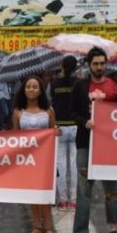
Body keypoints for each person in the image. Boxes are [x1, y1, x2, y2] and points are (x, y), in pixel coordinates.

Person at [71, 46, 117, 233]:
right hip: (85, 144)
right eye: (96, 64)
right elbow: (73, 112)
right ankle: (80, 232)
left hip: (109, 146)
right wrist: (84, 121)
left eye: (102, 63)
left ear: (106, 64)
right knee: (84, 189)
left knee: (111, 188)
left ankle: (114, 230)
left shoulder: (115, 85)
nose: (99, 67)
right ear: (89, 65)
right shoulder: (80, 87)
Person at [13, 75, 58, 233]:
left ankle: (48, 228)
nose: (31, 89)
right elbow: (14, 137)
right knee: (33, 194)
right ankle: (36, 227)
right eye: (28, 87)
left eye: (34, 87)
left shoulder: (48, 111)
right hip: (27, 160)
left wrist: (57, 132)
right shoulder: (18, 112)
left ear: (40, 91)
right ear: (24, 90)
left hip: (45, 159)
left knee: (44, 193)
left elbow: (53, 131)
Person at [50, 56, 79, 209]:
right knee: (74, 165)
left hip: (59, 128)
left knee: (60, 165)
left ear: (61, 66)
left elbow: (49, 106)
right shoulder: (79, 83)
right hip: (76, 127)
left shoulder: (53, 84)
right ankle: (73, 200)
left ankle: (61, 200)